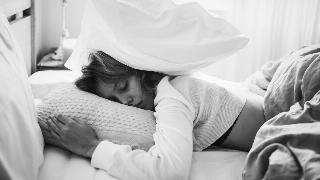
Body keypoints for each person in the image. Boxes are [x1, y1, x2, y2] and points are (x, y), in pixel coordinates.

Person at [48, 50, 266, 180]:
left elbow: (169, 171)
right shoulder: (172, 83)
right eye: (115, 101)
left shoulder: (173, 97)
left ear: (139, 70)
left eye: (123, 87)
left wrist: (92, 147)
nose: (126, 102)